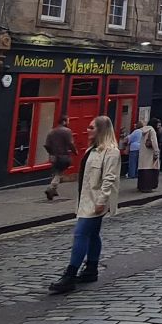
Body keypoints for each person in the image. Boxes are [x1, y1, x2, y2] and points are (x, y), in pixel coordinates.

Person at [49, 115, 121, 293]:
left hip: (96, 201)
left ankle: (70, 276)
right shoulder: (93, 150)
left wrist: (102, 201)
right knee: (93, 234)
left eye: (91, 127)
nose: (87, 130)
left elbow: (109, 178)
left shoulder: (111, 151)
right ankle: (91, 269)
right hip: (86, 198)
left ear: (101, 130)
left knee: (80, 234)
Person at [44, 118, 75, 202]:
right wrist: (75, 151)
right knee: (59, 172)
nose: (68, 122)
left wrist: (51, 153)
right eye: (68, 120)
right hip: (63, 155)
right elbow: (70, 143)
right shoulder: (67, 131)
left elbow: (46, 145)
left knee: (56, 171)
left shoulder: (51, 132)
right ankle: (51, 188)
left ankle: (54, 190)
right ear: (64, 121)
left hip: (54, 156)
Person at [135, 118, 161, 192]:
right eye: (158, 124)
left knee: (143, 169)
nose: (158, 126)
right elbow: (154, 142)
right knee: (150, 169)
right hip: (150, 153)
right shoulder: (152, 130)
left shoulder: (144, 130)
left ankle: (141, 186)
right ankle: (148, 186)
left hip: (143, 152)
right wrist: (156, 151)